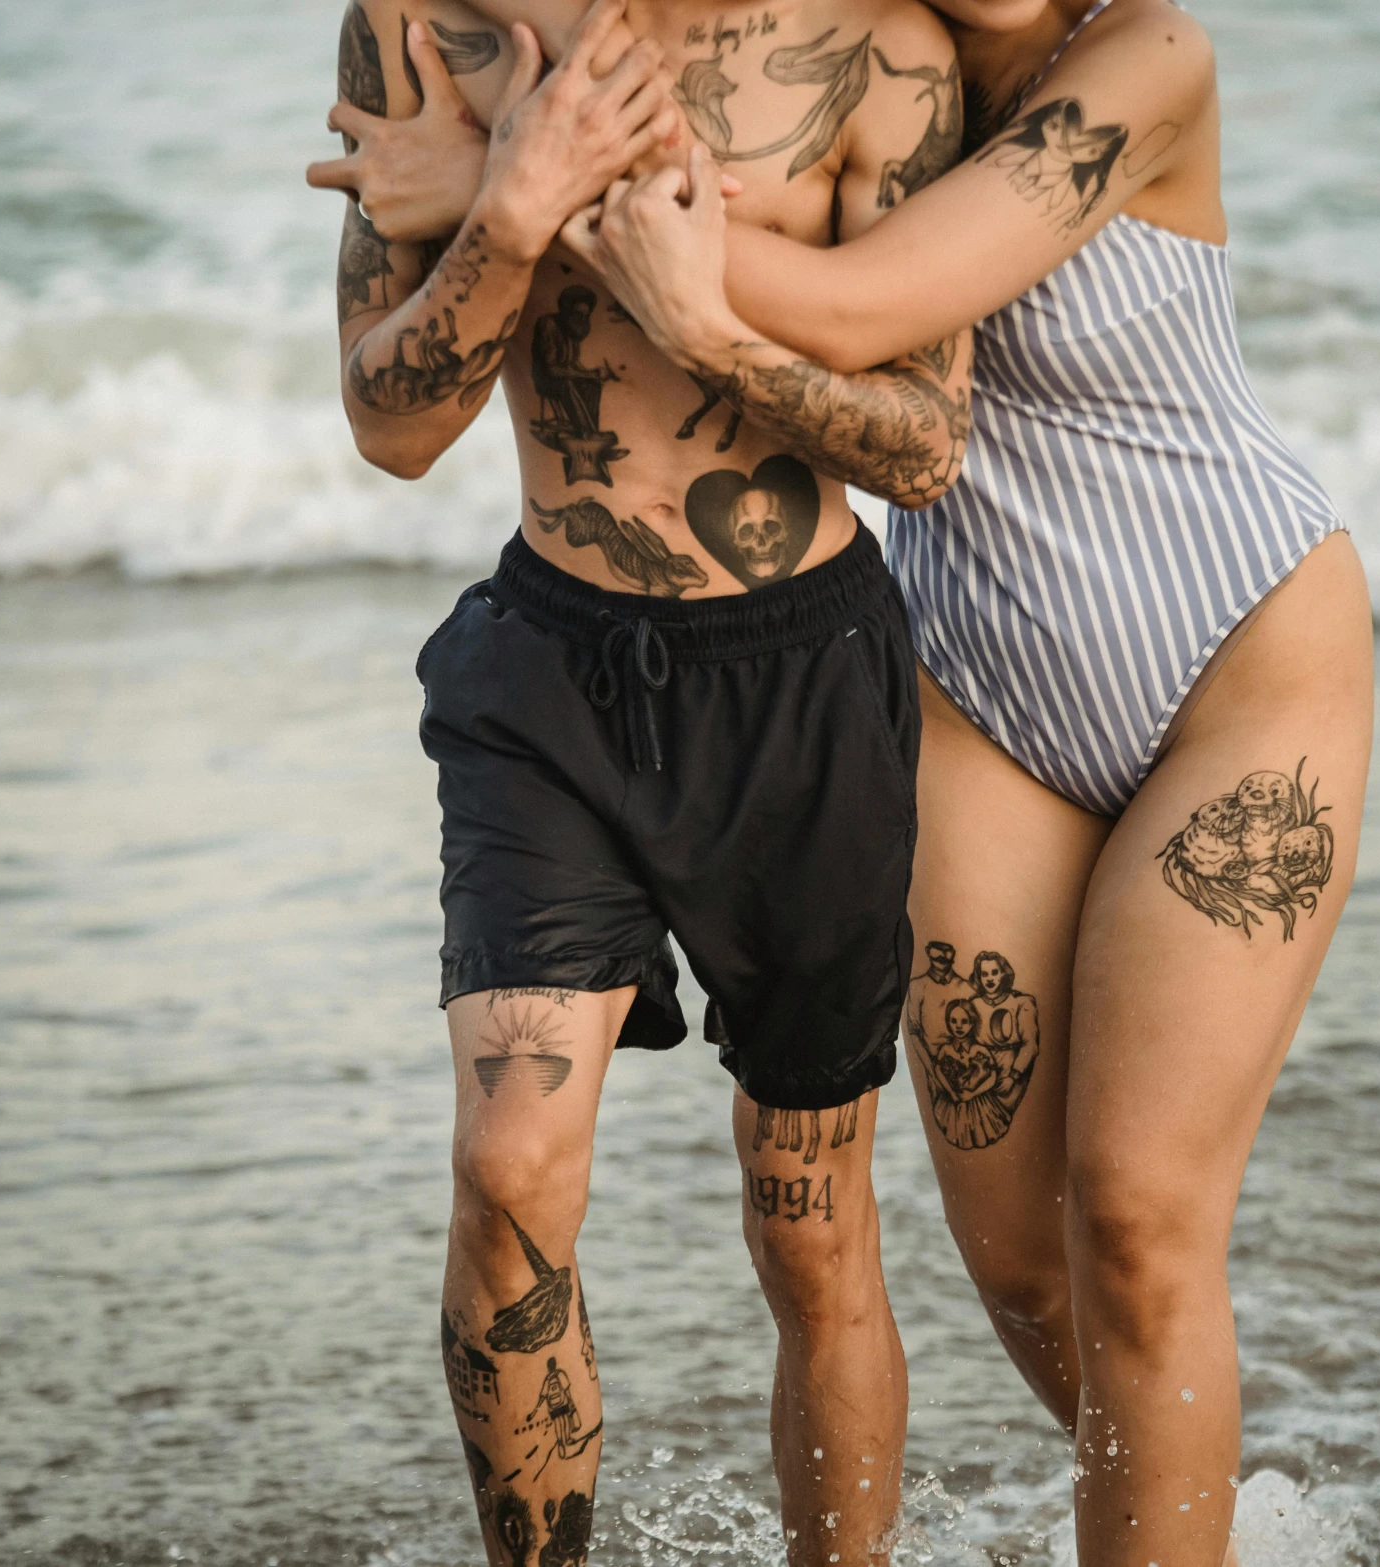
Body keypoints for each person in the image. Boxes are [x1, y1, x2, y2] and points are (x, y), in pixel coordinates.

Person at [320, 0, 1375, 1560]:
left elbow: (876, 310)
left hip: (1230, 654)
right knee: (1018, 1258)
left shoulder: (1142, 57)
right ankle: (1185, 1498)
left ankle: (1177, 1513)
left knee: (1136, 1225)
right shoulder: (874, 44)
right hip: (980, 674)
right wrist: (513, 197)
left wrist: (513, 194)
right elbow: (403, 409)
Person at [305, 1, 979, 1562]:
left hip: (803, 684)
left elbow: (925, 445)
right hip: (548, 669)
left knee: (808, 1232)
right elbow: (387, 428)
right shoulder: (418, 30)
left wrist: (699, 318)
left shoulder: (879, 47)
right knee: (506, 1164)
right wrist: (513, 208)